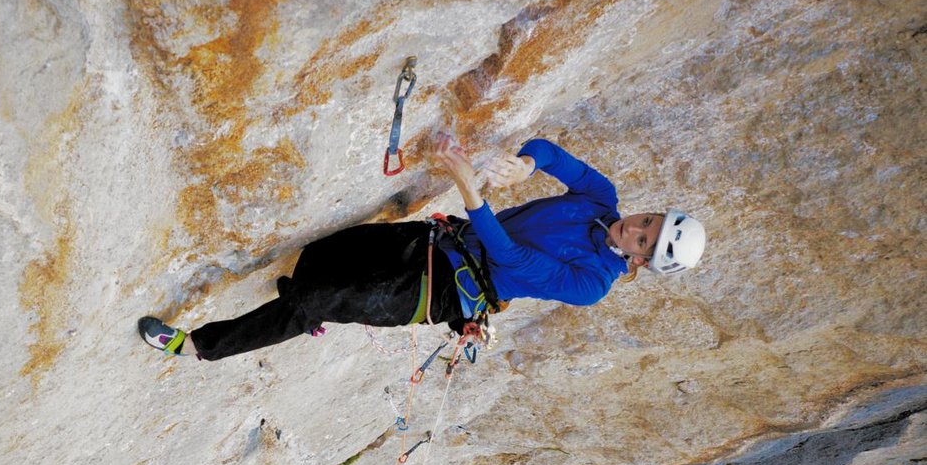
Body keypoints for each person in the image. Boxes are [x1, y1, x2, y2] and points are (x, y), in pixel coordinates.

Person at [138, 136, 706, 360]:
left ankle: (197, 346)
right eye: (647, 220)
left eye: (643, 240)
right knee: (323, 256)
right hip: (438, 241)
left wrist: (471, 190)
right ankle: (309, 302)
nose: (634, 227)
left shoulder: (591, 285)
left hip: (441, 293)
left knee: (315, 299)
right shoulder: (602, 198)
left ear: (639, 261)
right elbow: (554, 154)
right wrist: (528, 163)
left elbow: (511, 259)